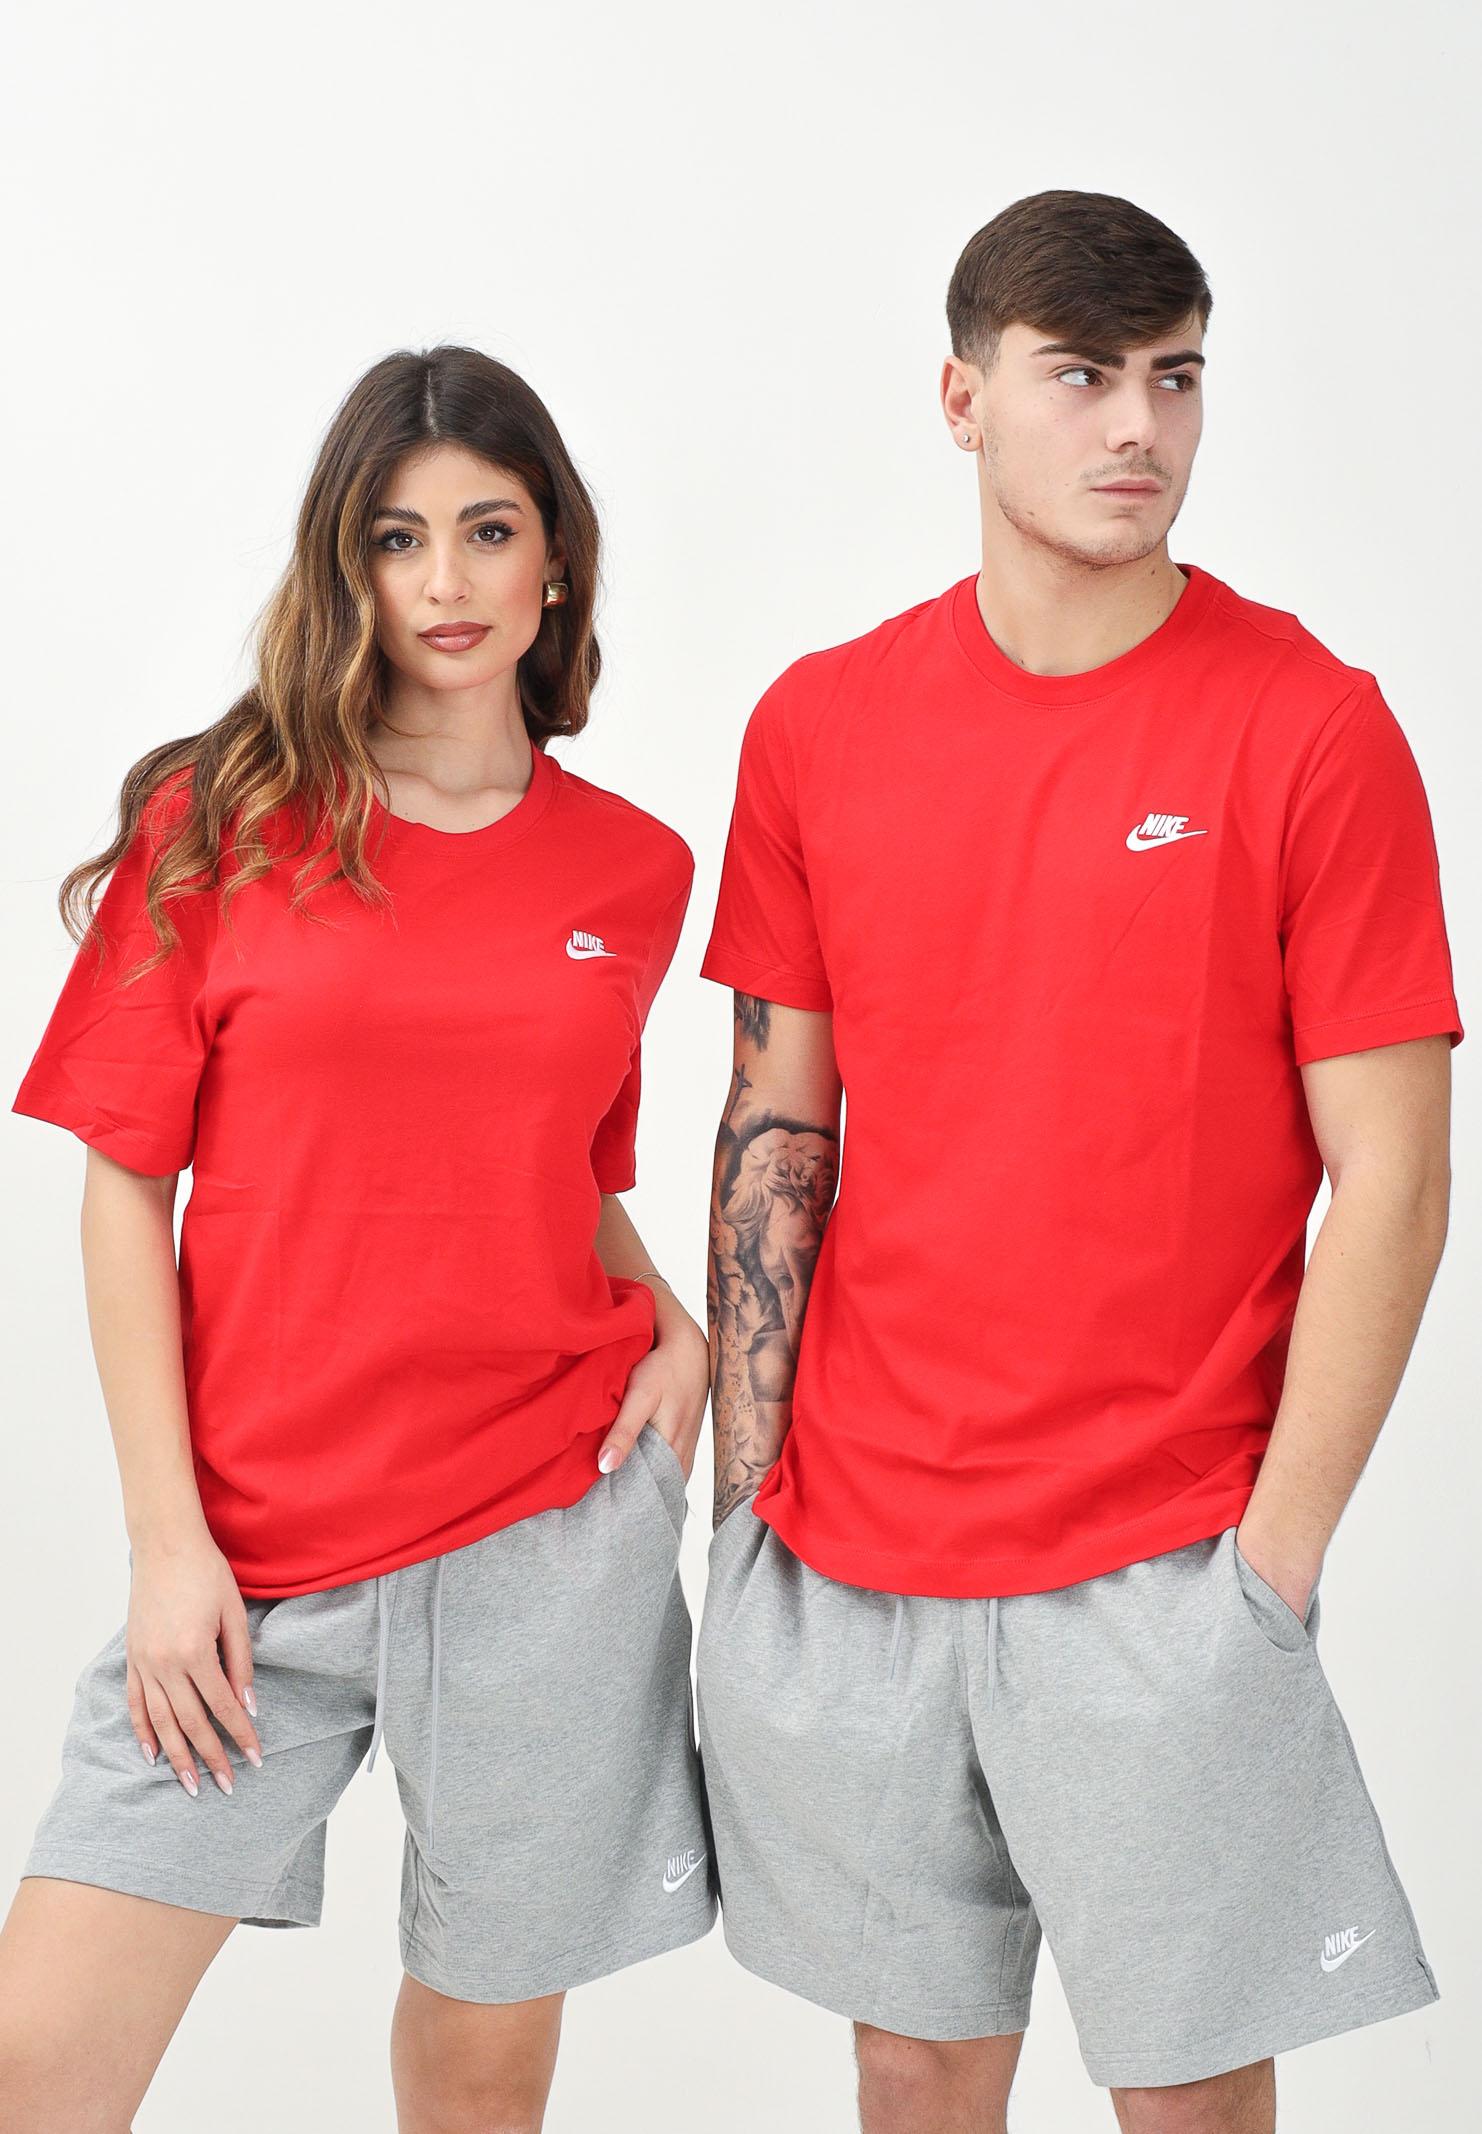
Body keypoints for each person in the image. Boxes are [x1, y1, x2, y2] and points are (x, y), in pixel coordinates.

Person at [695, 190, 1462, 2133]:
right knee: (911, 2067)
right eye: (1083, 376)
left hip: (1166, 1549)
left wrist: (1271, 1564)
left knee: (1184, 2090)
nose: (1139, 426)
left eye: (1175, 376)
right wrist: (746, 1501)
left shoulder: (1311, 727)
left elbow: (1392, 1174)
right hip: (853, 1539)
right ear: (962, 399)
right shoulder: (818, 725)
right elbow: (777, 1122)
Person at [1, 345, 714, 2133]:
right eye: (399, 538)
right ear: (349, 566)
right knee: (40, 2062)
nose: (447, 580)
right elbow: (123, 1188)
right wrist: (169, 1544)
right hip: (254, 1553)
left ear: (556, 556)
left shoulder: (633, 870)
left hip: (546, 1526)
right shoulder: (222, 823)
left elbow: (555, 1168)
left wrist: (676, 1319)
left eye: (489, 529)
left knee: (480, 2074)